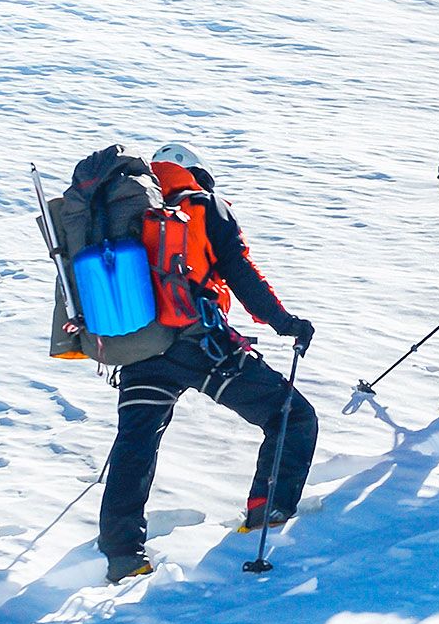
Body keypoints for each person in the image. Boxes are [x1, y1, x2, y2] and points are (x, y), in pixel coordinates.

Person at [98, 142, 317, 584]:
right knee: (292, 417)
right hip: (200, 345)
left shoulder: (120, 212)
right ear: (195, 171)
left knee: (136, 442)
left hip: (137, 351)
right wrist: (284, 322)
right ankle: (265, 515)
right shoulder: (201, 204)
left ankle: (123, 556)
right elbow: (239, 271)